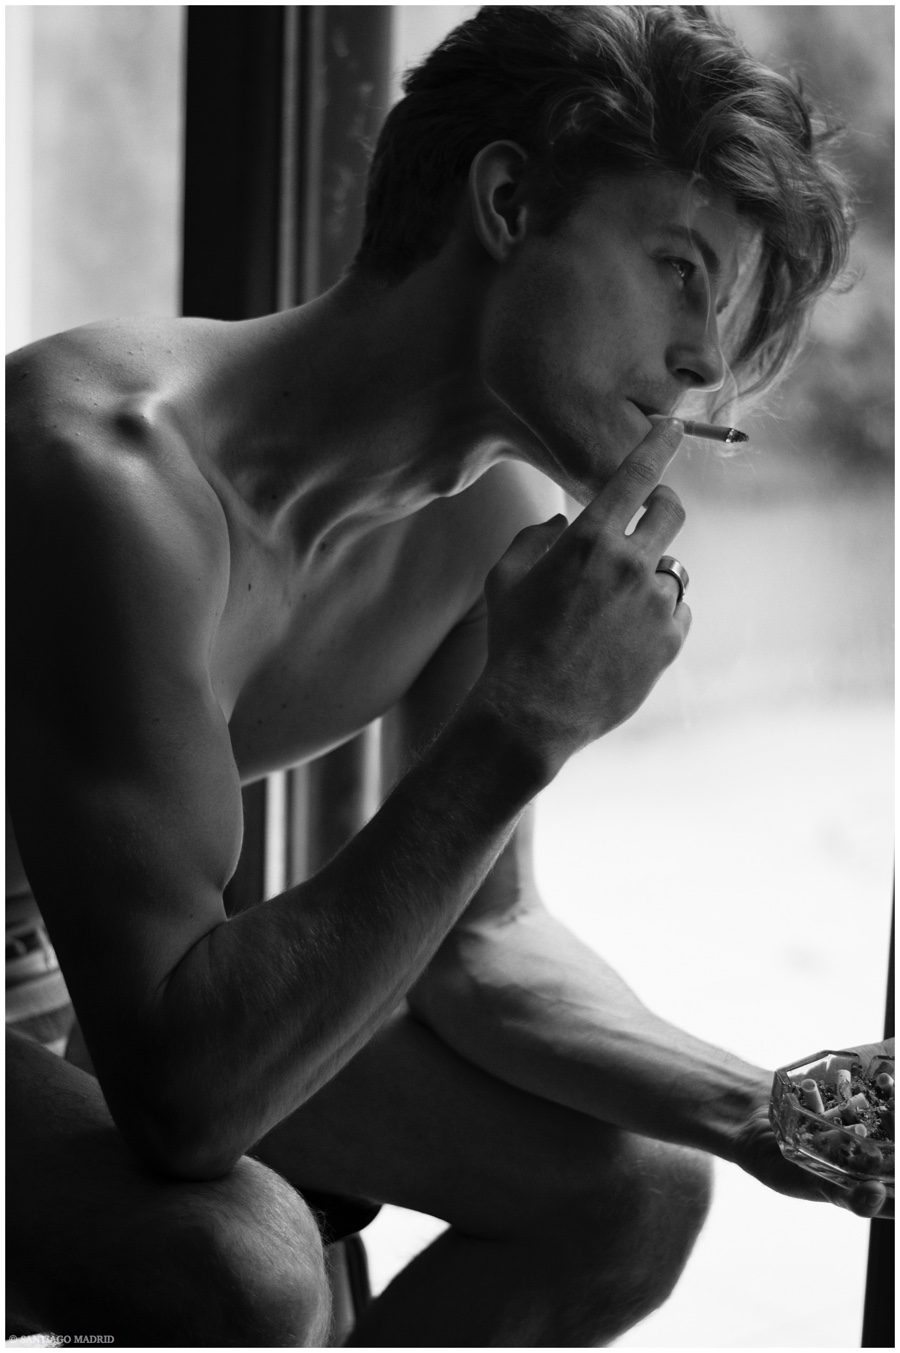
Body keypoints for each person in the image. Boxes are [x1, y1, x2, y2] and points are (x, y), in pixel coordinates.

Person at [6, 5, 891, 1346]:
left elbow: (487, 949)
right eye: (679, 269)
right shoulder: (110, 474)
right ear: (509, 201)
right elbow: (185, 1103)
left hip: (75, 979)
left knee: (637, 1199)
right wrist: (520, 725)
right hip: (113, 1009)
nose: (707, 361)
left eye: (726, 315)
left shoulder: (483, 527)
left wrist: (764, 1107)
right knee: (248, 1267)